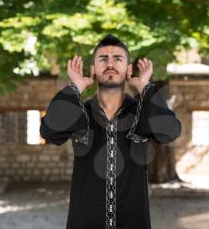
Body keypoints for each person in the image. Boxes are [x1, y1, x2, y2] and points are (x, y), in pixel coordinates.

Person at [40, 34, 181, 229]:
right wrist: (77, 86)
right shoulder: (81, 113)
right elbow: (49, 130)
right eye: (103, 59)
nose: (110, 63)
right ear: (94, 70)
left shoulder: (142, 113)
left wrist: (145, 87)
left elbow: (170, 131)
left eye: (118, 58)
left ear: (129, 70)